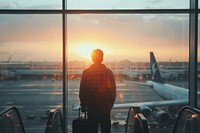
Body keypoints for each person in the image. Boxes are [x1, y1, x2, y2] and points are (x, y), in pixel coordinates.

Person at [79, 49, 116, 133]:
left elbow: (82, 91)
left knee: (92, 129)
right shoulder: (108, 73)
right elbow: (113, 92)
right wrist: (109, 105)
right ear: (102, 58)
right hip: (105, 107)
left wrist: (83, 105)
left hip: (91, 108)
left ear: (92, 58)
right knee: (105, 129)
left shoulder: (86, 72)